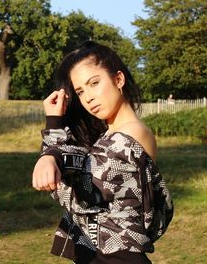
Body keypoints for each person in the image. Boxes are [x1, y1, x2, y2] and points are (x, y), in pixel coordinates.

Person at [32, 41, 173, 264]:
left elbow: (75, 193)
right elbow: (73, 169)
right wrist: (52, 153)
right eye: (80, 91)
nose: (88, 97)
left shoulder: (131, 135)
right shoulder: (106, 136)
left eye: (94, 83)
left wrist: (53, 137)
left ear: (119, 79)